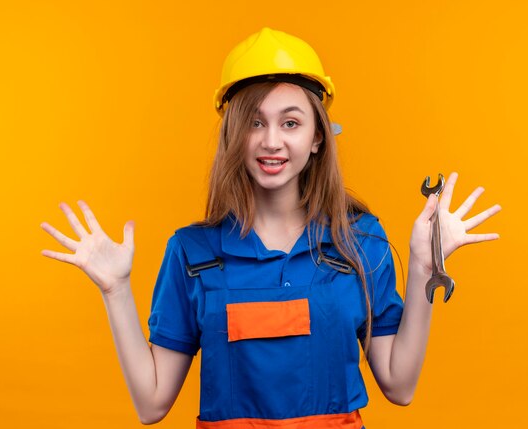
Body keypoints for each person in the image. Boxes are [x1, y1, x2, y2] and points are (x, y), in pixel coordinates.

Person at [41, 28, 501, 428]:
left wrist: (423, 265)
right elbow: (151, 403)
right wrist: (116, 290)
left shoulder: (361, 241)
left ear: (318, 136)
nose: (271, 141)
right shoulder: (192, 252)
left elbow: (399, 385)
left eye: (291, 122)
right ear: (233, 135)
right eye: (255, 122)